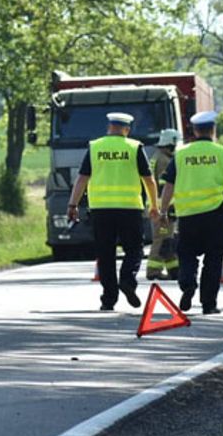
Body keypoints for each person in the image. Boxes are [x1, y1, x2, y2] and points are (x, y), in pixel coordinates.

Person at [66, 112, 159, 310]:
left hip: (101, 209)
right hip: (130, 208)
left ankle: (109, 299)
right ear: (127, 129)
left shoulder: (95, 146)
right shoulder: (134, 147)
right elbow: (148, 179)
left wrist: (72, 205)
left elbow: (82, 178)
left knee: (105, 253)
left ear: (109, 127)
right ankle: (127, 279)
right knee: (134, 249)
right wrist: (154, 206)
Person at [158, 111, 223, 314]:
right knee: (213, 259)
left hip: (187, 215)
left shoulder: (181, 154)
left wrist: (163, 211)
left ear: (195, 131)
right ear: (212, 130)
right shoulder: (222, 152)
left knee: (186, 254)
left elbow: (169, 184)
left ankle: (187, 285)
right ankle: (208, 304)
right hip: (216, 215)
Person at [145, 128, 181, 281]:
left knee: (167, 238)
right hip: (163, 206)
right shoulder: (165, 161)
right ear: (170, 144)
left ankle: (174, 269)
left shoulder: (157, 157)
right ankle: (153, 271)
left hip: (157, 205)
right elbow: (166, 186)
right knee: (161, 238)